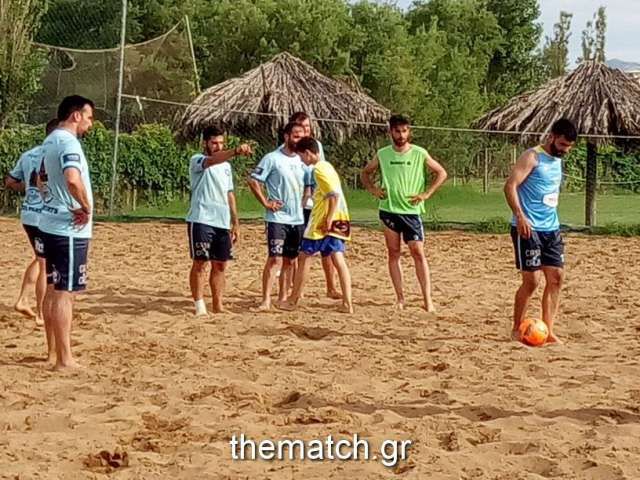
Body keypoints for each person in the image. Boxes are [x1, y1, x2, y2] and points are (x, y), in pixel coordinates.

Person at [361, 114, 447, 312]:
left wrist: (427, 193)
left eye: (404, 131)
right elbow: (365, 173)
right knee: (393, 252)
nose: (401, 135)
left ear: (409, 132)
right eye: (397, 131)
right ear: (391, 132)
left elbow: (441, 172)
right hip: (389, 210)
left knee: (418, 252)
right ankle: (400, 298)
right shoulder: (383, 154)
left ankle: (427, 299)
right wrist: (373, 189)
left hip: (411, 211)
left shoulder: (419, 153)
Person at [504, 118, 577, 345]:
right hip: (528, 228)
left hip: (551, 229)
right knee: (532, 281)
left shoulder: (558, 159)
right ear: (552, 137)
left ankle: (549, 330)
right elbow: (510, 186)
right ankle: (517, 328)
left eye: (569, 146)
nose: (565, 150)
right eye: (562, 144)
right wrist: (520, 215)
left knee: (556, 277)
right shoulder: (532, 157)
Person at [38, 95, 94, 370]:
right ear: (76, 115)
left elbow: (40, 180)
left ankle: (54, 353)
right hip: (68, 228)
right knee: (64, 293)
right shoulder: (69, 142)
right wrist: (85, 206)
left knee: (53, 289)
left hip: (50, 223)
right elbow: (73, 179)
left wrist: (52, 202)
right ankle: (64, 358)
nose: (90, 124)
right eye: (89, 117)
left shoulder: (49, 141)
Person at [279, 137, 353, 313]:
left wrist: (328, 218)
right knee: (338, 258)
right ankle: (347, 303)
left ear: (308, 153)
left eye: (301, 156)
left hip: (323, 219)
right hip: (341, 217)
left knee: (304, 256)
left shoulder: (318, 169)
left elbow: (333, 195)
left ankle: (293, 299)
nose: (302, 161)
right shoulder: (328, 166)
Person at [186, 126, 253, 316]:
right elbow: (212, 160)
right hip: (201, 219)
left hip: (221, 221)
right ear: (205, 143)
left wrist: (236, 222)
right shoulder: (197, 160)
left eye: (221, 143)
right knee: (201, 262)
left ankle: (218, 305)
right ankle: (200, 306)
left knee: (221, 264)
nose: (218, 146)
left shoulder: (226, 167)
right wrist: (235, 151)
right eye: (214, 143)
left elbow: (229, 194)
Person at [5, 119, 58, 326]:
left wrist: (28, 189)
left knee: (40, 258)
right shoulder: (55, 155)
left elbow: (10, 181)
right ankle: (41, 312)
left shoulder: (28, 154)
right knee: (45, 263)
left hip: (28, 214)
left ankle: (23, 299)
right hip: (44, 216)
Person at [248, 121, 306, 311]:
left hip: (297, 218)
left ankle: (283, 296)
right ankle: (265, 300)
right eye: (296, 136)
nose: (299, 140)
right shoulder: (272, 158)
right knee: (275, 259)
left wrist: (307, 198)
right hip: (277, 218)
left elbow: (311, 182)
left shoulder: (302, 160)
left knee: (291, 260)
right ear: (286, 136)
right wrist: (266, 202)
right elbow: (253, 180)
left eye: (302, 137)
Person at [289, 111, 341, 300]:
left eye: (308, 127)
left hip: (319, 205)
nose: (306, 130)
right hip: (301, 204)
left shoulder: (314, 148)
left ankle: (331, 287)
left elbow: (322, 175)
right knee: (300, 251)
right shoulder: (290, 151)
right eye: (302, 127)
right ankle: (296, 290)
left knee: (326, 251)